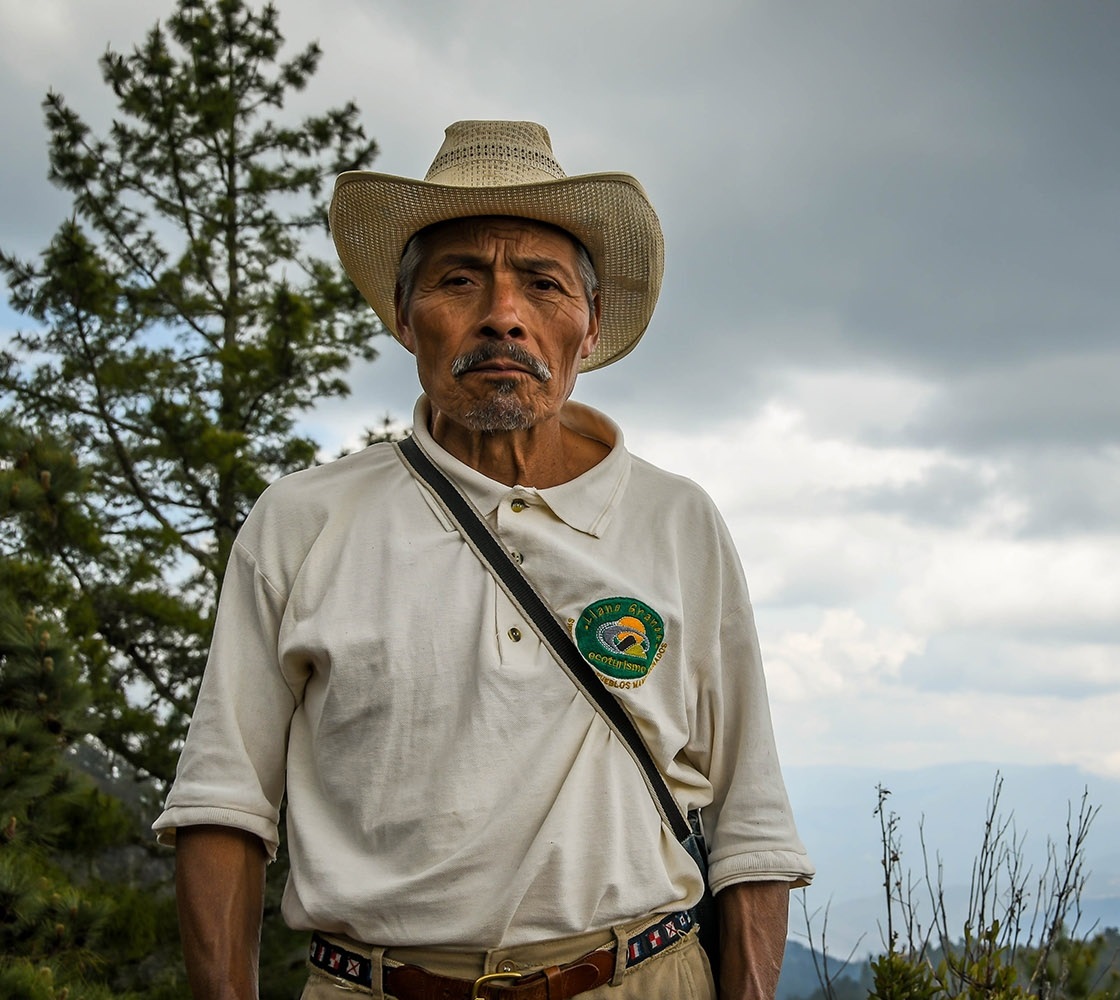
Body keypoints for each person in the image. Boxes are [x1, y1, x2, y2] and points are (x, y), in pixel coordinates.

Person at [153, 120, 814, 1000]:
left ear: (590, 329)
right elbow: (221, 805)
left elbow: (750, 818)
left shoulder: (676, 521)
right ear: (402, 316)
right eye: (459, 279)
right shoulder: (303, 522)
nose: (503, 313)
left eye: (542, 283)